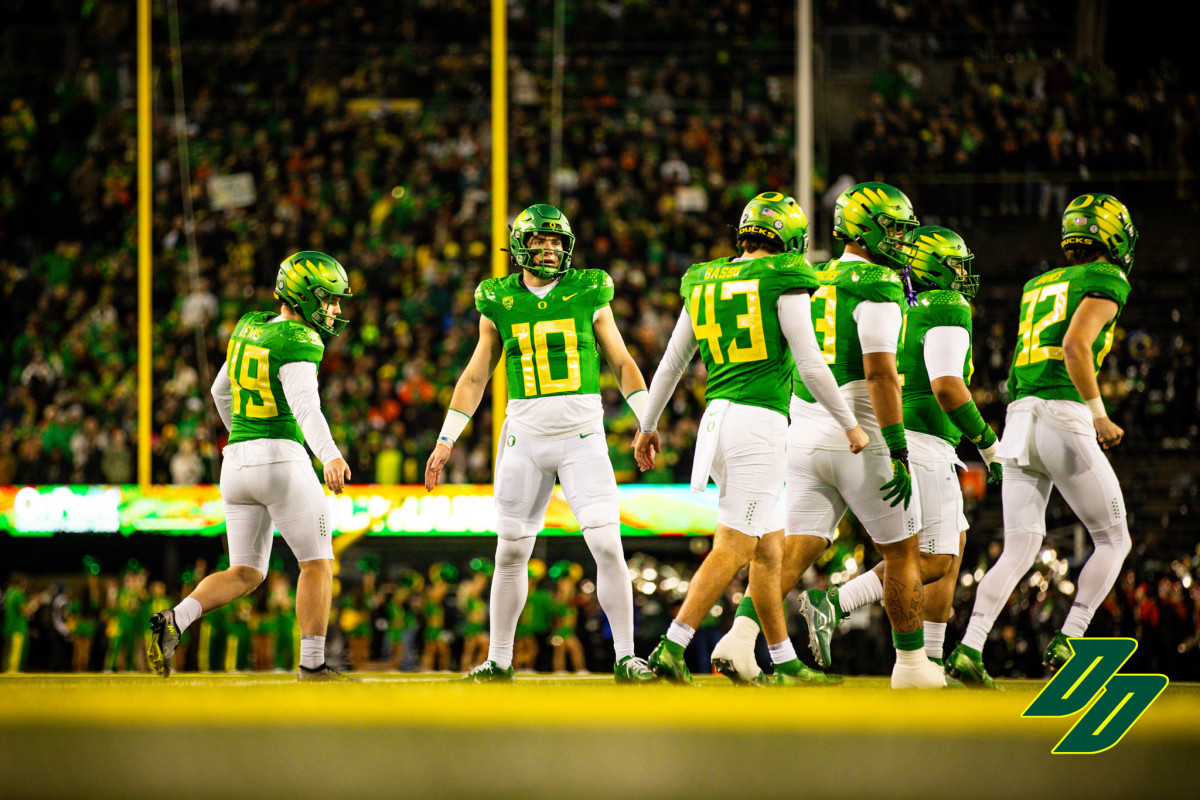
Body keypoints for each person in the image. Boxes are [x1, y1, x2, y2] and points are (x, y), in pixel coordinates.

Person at [709, 182, 945, 689]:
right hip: (857, 430)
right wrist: (897, 446)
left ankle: (738, 637)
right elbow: (880, 373)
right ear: (865, 228)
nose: (902, 239)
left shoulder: (809, 274)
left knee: (794, 548)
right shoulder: (877, 285)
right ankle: (911, 665)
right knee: (904, 552)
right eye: (894, 228)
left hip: (803, 429)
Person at [634, 191, 868, 686]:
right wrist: (850, 422)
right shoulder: (783, 276)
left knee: (768, 548)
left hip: (716, 421)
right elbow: (809, 362)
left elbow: (673, 362)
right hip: (757, 424)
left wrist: (648, 424)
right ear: (787, 236)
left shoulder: (704, 279)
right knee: (736, 544)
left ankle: (781, 659)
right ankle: (671, 647)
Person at [425, 204, 656, 684]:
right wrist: (447, 440)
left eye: (556, 241)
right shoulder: (498, 300)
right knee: (509, 551)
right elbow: (474, 376)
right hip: (523, 437)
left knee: (607, 546)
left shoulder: (589, 290)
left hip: (582, 437)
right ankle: (500, 660)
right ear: (521, 246)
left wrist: (646, 419)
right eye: (541, 240)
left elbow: (623, 362)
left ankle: (627, 656)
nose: (549, 248)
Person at [948, 193, 1137, 687]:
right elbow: (1075, 346)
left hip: (1019, 418)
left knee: (1018, 548)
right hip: (1062, 413)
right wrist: (1099, 414)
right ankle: (1070, 638)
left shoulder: (1040, 283)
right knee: (1115, 539)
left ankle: (969, 649)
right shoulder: (1107, 278)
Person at [797, 227, 1002, 683]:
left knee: (953, 547)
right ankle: (839, 603)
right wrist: (990, 445)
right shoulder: (946, 306)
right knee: (929, 560)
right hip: (923, 443)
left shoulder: (900, 299)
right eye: (953, 265)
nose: (961, 274)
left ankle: (929, 658)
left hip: (904, 435)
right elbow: (947, 385)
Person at [146, 251, 354, 681]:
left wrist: (245, 436)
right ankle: (312, 665)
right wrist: (330, 454)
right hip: (282, 460)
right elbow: (306, 408)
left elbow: (219, 390)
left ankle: (175, 620)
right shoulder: (300, 339)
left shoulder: (250, 327)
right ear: (303, 296)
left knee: (245, 572)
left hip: (236, 463)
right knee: (316, 564)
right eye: (330, 299)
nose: (335, 309)